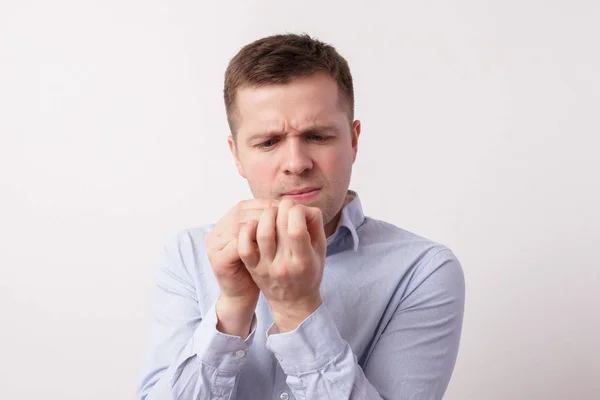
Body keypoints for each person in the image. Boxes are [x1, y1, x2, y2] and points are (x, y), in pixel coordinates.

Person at [137, 33, 465, 400]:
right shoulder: (188, 255)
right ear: (237, 155)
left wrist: (297, 309)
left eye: (318, 136)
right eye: (268, 142)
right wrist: (230, 310)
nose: (296, 163)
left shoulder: (422, 271)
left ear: (354, 142)